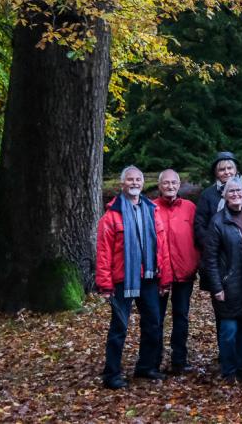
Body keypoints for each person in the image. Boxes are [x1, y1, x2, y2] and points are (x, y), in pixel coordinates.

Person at [96, 166, 172, 389]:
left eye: (138, 179)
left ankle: (146, 367)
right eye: (130, 179)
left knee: (153, 324)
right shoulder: (111, 216)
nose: (135, 183)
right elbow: (103, 252)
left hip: (149, 278)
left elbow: (162, 247)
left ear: (143, 183)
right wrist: (105, 284)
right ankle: (112, 374)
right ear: (122, 184)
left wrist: (165, 279)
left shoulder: (152, 211)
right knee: (119, 327)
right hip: (123, 280)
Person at [201, 178, 242, 382]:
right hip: (229, 280)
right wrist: (217, 287)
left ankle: (241, 365)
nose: (236, 194)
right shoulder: (218, 221)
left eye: (239, 191)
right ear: (225, 196)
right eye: (231, 191)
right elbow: (210, 258)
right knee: (229, 329)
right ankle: (228, 370)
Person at [153, 169, 198, 375]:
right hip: (159, 274)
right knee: (156, 318)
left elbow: (199, 237)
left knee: (181, 317)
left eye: (173, 183)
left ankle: (179, 360)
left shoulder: (190, 208)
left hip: (184, 272)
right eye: (166, 183)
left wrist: (195, 262)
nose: (170, 186)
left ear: (179, 185)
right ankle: (154, 360)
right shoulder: (151, 208)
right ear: (160, 185)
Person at [195, 151, 242, 244]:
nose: (227, 172)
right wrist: (209, 245)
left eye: (230, 168)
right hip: (216, 247)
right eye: (222, 169)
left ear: (236, 170)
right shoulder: (207, 195)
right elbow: (200, 224)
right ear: (216, 173)